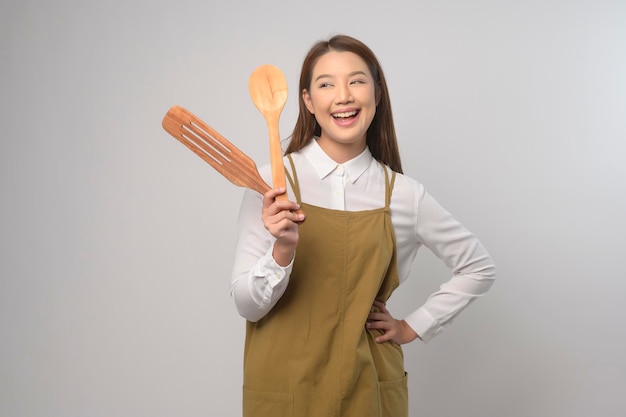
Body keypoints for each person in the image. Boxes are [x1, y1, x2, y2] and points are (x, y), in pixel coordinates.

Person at [230, 34, 496, 417]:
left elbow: (478, 267)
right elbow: (247, 306)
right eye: (326, 84)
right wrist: (282, 250)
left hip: (369, 389)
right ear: (307, 101)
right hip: (282, 388)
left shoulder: (404, 195)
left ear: (377, 93)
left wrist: (413, 326)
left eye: (356, 81)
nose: (343, 96)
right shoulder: (269, 184)